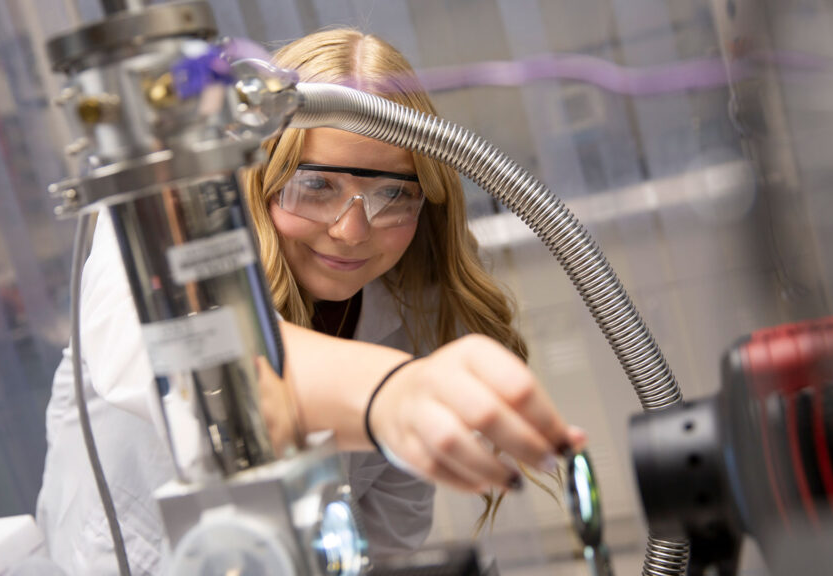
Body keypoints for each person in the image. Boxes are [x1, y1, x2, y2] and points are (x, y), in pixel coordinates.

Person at [35, 27, 584, 575]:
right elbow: (185, 357)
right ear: (259, 176)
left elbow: (390, 545)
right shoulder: (164, 219)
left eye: (393, 195)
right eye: (316, 187)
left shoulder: (415, 313)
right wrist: (388, 393)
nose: (350, 232)